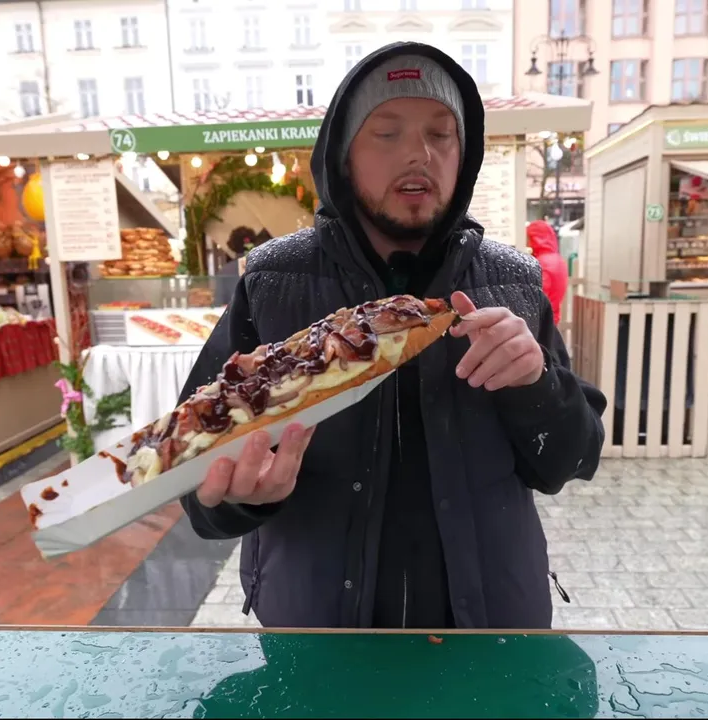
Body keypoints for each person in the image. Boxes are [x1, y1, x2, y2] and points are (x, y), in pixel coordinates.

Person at [177, 42, 608, 630]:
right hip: (318, 638)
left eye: (441, 134)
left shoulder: (513, 282)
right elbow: (193, 476)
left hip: (492, 633)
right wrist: (239, 496)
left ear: (464, 155)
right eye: (386, 132)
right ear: (342, 155)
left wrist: (537, 385)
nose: (419, 153)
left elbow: (572, 459)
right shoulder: (273, 281)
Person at [525, 220, 568, 324]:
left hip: (541, 323)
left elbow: (537, 298)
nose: (527, 242)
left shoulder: (541, 263)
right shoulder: (558, 260)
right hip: (552, 318)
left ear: (535, 238)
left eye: (528, 238)